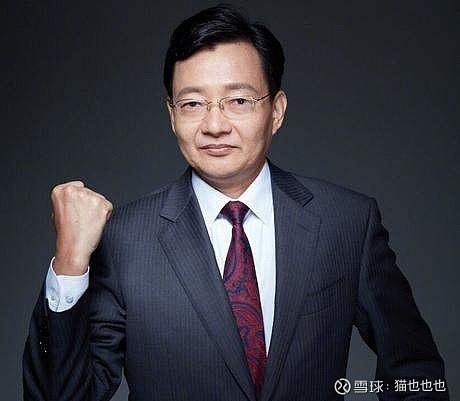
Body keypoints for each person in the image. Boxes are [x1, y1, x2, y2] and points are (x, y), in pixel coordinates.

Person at [23, 5, 449, 401]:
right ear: (172, 115)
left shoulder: (346, 222)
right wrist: (70, 261)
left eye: (238, 101)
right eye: (193, 103)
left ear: (276, 110)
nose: (214, 124)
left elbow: (417, 372)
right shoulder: (124, 239)